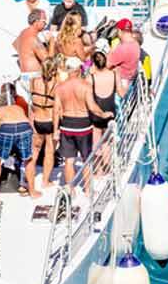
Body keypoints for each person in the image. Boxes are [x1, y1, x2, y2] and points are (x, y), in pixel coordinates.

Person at [0, 85, 38, 199]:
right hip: (24, 127)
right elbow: (30, 125)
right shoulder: (19, 108)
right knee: (28, 159)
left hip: (6, 128)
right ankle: (33, 192)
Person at [54, 58, 95, 190]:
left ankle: (70, 190)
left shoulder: (60, 87)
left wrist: (55, 131)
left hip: (66, 124)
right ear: (78, 70)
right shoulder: (86, 86)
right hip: (83, 125)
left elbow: (56, 111)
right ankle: (88, 189)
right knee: (86, 159)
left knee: (69, 160)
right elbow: (92, 107)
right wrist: (103, 114)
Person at [30, 55, 60, 188]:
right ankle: (45, 181)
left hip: (37, 120)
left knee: (34, 151)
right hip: (50, 121)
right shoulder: (57, 85)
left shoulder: (34, 81)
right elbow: (58, 110)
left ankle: (28, 179)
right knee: (49, 152)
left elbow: (31, 104)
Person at [88, 50, 119, 146]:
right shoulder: (114, 74)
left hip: (96, 113)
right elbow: (121, 93)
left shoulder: (90, 78)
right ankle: (107, 161)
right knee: (107, 143)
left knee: (96, 140)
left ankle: (96, 159)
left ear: (94, 64)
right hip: (110, 112)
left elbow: (87, 99)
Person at [107, 18, 142, 85]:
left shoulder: (122, 48)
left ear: (119, 30)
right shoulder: (135, 44)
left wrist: (112, 50)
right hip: (129, 80)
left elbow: (105, 65)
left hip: (119, 83)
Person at [15, 10, 49, 77]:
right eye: (44, 21)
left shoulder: (23, 32)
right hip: (34, 77)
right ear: (36, 21)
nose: (46, 24)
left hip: (24, 76)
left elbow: (16, 46)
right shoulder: (34, 39)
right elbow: (49, 62)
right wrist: (51, 42)